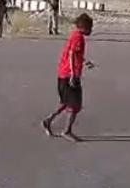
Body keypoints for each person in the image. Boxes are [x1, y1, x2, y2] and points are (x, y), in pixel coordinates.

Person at [41, 13, 95, 143]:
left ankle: (48, 120)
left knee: (66, 102)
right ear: (84, 26)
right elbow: (71, 54)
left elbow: (75, 54)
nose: (91, 30)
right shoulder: (79, 38)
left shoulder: (74, 35)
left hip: (63, 74)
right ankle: (66, 131)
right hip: (69, 75)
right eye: (90, 27)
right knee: (75, 105)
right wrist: (72, 74)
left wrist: (84, 61)